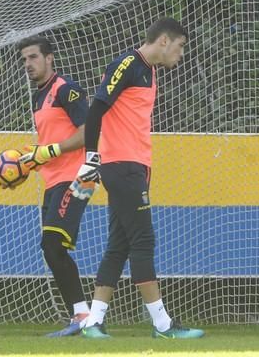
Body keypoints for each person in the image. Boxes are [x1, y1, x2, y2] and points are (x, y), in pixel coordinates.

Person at [69, 17, 204, 339]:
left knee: (119, 243)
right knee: (143, 241)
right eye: (180, 46)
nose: (181, 53)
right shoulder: (128, 63)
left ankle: (94, 320)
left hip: (134, 167)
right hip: (122, 166)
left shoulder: (150, 71)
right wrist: (91, 157)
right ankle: (162, 324)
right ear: (163, 41)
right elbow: (97, 107)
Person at [1, 36, 91, 337]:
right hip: (53, 182)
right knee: (51, 250)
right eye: (24, 59)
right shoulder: (37, 98)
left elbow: (88, 134)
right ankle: (82, 315)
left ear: (50, 58)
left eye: (33, 57)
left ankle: (83, 316)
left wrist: (49, 151)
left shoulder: (67, 90)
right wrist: (26, 165)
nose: (27, 64)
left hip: (76, 177)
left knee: (52, 245)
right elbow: (48, 144)